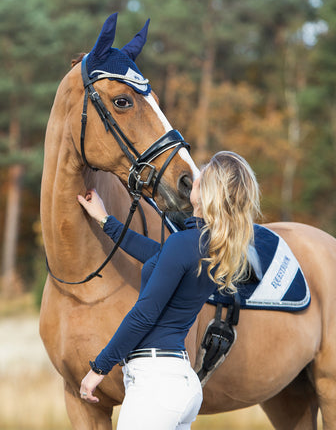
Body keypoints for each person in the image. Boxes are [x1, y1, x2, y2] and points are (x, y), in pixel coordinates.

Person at [76, 151, 262, 430]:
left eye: (201, 176)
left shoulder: (185, 244)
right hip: (179, 382)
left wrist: (99, 368)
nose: (194, 179)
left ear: (208, 191)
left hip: (156, 384)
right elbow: (153, 253)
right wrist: (104, 219)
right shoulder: (209, 248)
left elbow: (144, 315)